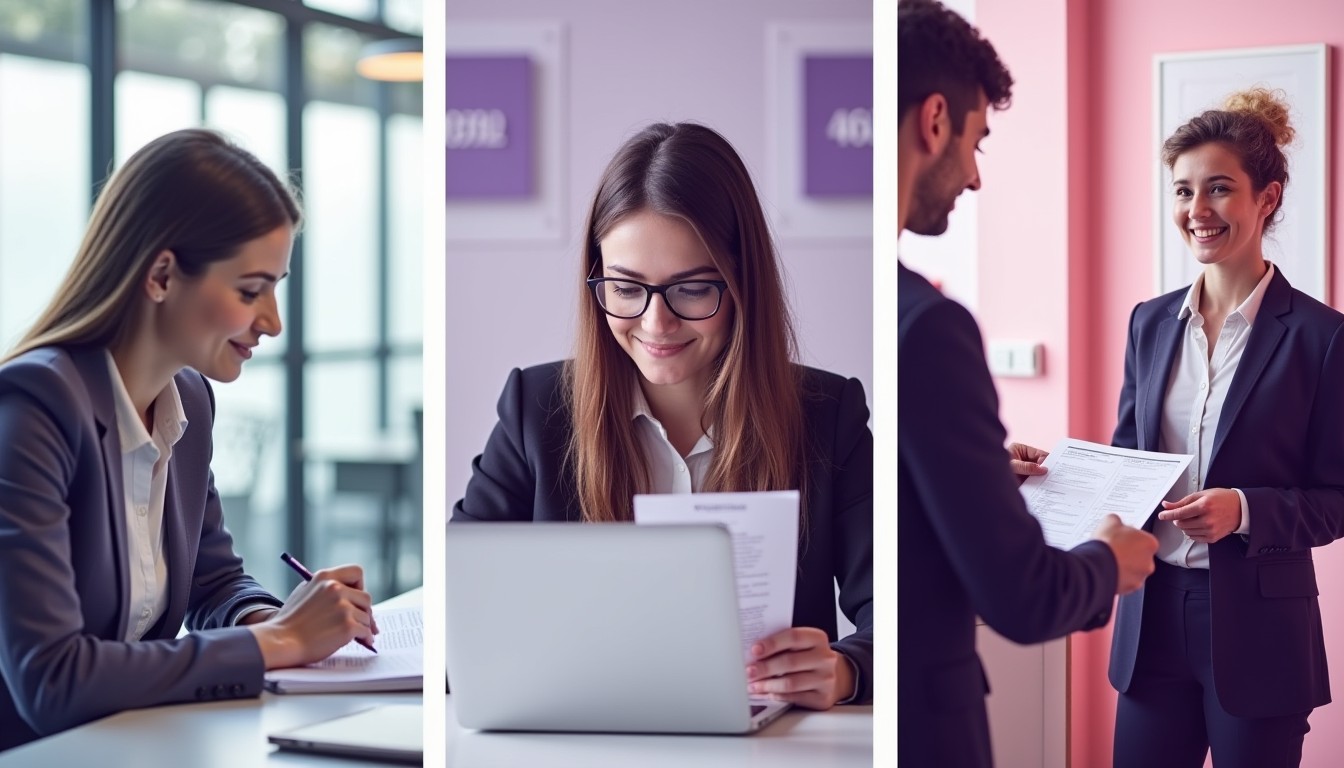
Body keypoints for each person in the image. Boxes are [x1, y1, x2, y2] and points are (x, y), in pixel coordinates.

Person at [453, 121, 873, 709]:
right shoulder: (536, 407)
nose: (655, 324)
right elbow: (465, 594)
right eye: (626, 289)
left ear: (742, 283)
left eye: (692, 290)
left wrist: (847, 669)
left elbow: (898, 611)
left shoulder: (828, 416)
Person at [0, 129, 377, 751]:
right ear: (161, 274)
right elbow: (51, 679)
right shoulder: (34, 409)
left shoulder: (189, 402)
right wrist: (280, 643)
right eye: (251, 290)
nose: (273, 321)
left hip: (140, 744)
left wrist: (277, 617)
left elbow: (211, 583)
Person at [895, 1, 1158, 765]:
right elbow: (1023, 596)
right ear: (935, 120)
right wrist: (1109, 559)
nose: (975, 176)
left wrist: (966, 470)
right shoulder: (928, 326)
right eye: (976, 142)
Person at [1101, 88, 1344, 768]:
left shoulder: (1323, 339)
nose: (1196, 212)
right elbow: (1127, 463)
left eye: (1218, 190)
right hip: (1150, 621)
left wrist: (1244, 510)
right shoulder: (1149, 323)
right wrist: (1050, 473)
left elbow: (1337, 497)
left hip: (1262, 632)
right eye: (1182, 191)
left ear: (1266, 199)